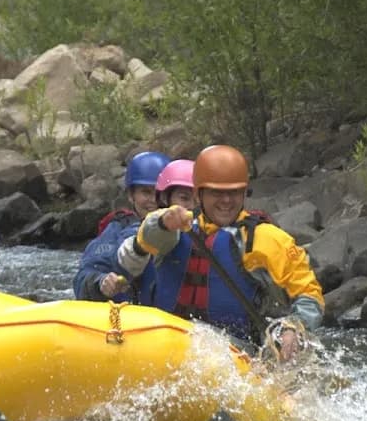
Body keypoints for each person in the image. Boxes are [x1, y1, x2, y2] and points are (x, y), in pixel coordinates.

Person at [117, 145, 324, 360]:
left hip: (231, 353)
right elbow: (143, 241)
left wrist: (294, 325)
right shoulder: (175, 224)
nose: (226, 201)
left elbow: (309, 295)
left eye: (234, 192)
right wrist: (163, 222)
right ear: (198, 194)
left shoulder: (266, 239)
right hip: (164, 341)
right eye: (216, 192)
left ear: (244, 193)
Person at [72, 151, 170, 302]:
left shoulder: (187, 231)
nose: (153, 200)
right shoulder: (117, 229)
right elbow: (83, 277)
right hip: (128, 318)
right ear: (131, 195)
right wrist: (101, 282)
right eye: (146, 192)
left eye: (158, 194)